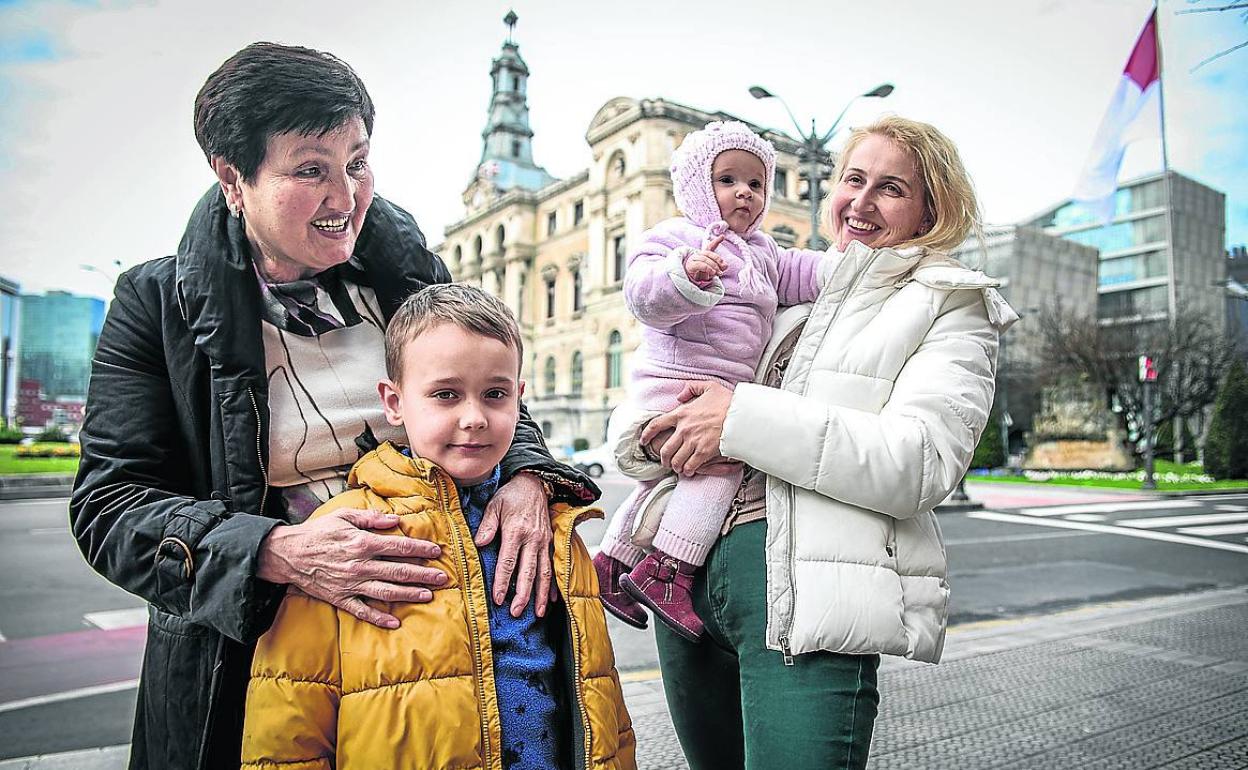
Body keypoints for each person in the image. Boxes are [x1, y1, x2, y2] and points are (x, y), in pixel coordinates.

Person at [69, 43, 597, 770]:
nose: (345, 197)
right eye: (311, 169)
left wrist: (530, 477)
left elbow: (492, 386)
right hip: (255, 664)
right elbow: (109, 507)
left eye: (357, 162)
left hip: (443, 652)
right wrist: (275, 551)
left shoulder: (409, 275)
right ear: (233, 178)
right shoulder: (154, 304)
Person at [616, 116, 1018, 769]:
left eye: (890, 189)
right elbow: (670, 386)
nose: (860, 202)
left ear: (929, 211)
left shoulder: (949, 305)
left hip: (804, 595)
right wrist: (647, 438)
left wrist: (739, 421)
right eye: (853, 179)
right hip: (686, 583)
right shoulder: (785, 288)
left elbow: (920, 462)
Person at [240, 284, 635, 770]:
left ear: (520, 398)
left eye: (495, 394)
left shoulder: (554, 526)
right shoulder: (343, 533)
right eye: (446, 395)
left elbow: (600, 696)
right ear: (394, 402)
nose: (474, 418)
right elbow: (289, 714)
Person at [591, 121, 829, 641]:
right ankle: (668, 571)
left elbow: (803, 271)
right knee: (716, 470)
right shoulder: (675, 237)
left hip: (719, 388)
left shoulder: (764, 251)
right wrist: (684, 274)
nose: (744, 192)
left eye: (755, 183)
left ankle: (611, 563)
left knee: (668, 482)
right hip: (677, 382)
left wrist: (848, 268)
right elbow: (643, 295)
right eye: (727, 180)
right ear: (699, 186)